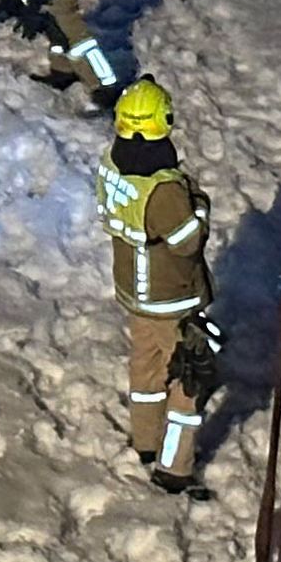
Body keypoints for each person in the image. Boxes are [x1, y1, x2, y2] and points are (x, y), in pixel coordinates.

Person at [97, 79, 213, 492]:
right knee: (190, 376)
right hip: (171, 296)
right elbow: (187, 242)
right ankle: (174, 467)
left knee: (146, 365)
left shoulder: (111, 164)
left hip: (134, 292)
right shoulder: (164, 189)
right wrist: (197, 203)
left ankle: (145, 440)